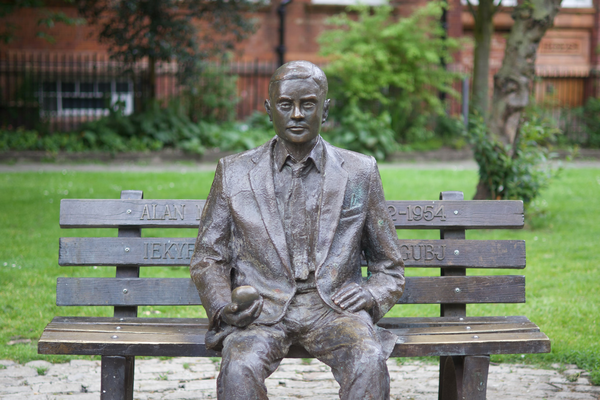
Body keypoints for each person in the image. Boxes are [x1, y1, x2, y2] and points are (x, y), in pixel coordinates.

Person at [190, 60, 405, 400]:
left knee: (368, 357)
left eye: (308, 104)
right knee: (239, 368)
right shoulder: (233, 173)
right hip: (262, 309)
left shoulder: (360, 172)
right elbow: (207, 259)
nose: (297, 114)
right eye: (285, 104)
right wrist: (223, 305)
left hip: (333, 309)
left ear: (326, 109)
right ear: (268, 109)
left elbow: (388, 266)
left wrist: (371, 294)